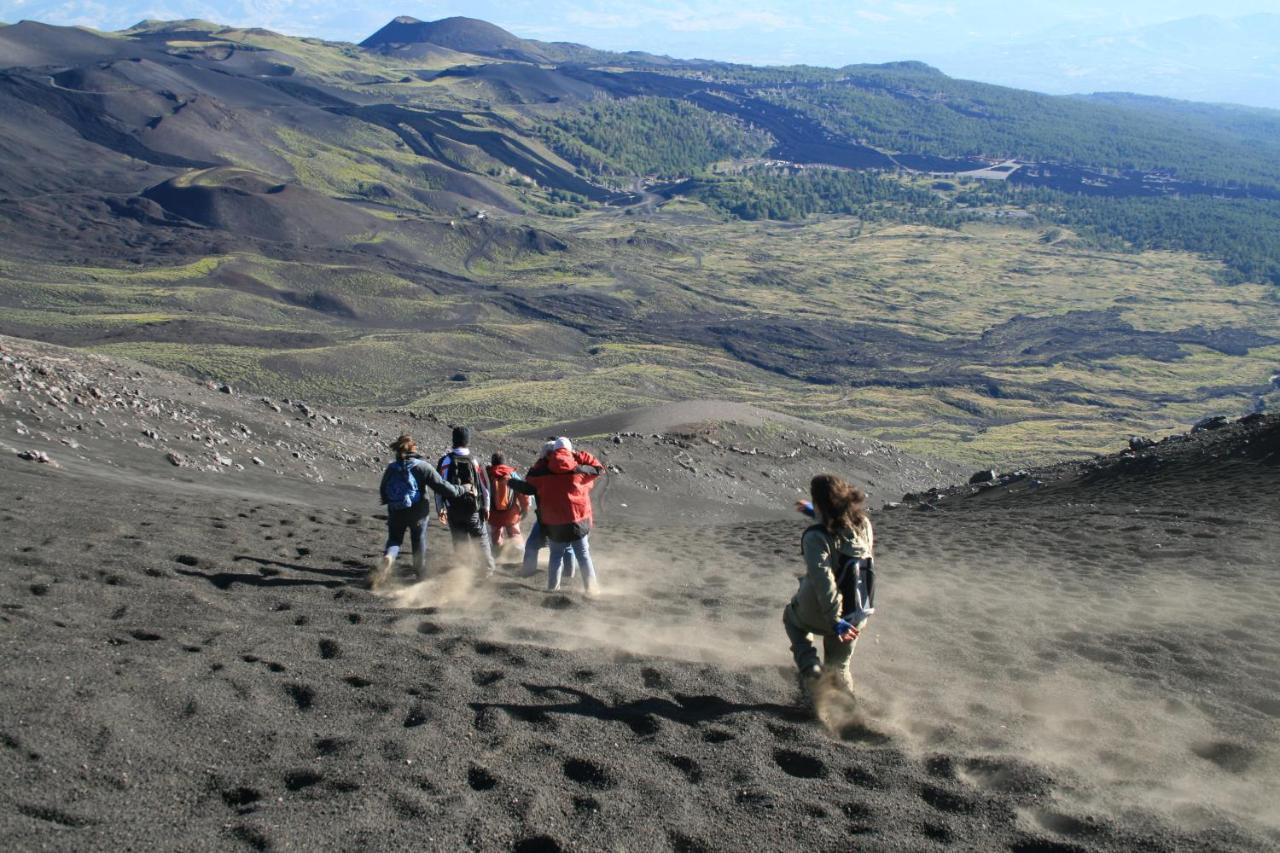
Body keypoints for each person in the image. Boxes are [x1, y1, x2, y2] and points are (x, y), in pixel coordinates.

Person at [783, 474, 876, 698]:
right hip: (857, 612)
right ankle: (847, 709)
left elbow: (823, 580)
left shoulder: (816, 537)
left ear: (819, 502)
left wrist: (835, 620)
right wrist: (811, 511)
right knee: (840, 665)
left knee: (792, 620)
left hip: (822, 613)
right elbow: (837, 522)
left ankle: (811, 670)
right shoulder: (863, 524)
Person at [509, 437, 603, 594]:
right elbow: (598, 468)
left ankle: (553, 589)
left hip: (554, 524)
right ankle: (592, 589)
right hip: (578, 521)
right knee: (584, 556)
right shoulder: (578, 471)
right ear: (569, 450)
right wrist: (579, 455)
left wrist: (543, 461)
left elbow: (529, 479)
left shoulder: (542, 474)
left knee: (556, 556)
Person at [372, 434, 465, 589]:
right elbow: (442, 486)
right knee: (418, 539)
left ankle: (389, 556)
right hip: (418, 512)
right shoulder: (422, 466)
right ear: (414, 448)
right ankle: (420, 573)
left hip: (396, 511)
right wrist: (462, 489)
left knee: (394, 539)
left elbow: (383, 489)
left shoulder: (392, 467)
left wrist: (389, 502)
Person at [435, 426, 497, 576]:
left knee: (460, 542)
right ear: (467, 441)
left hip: (453, 509)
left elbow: (439, 487)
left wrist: (440, 508)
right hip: (473, 510)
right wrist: (487, 507)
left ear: (453, 440)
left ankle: (464, 572)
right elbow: (485, 487)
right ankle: (487, 571)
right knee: (481, 538)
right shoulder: (475, 461)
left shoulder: (445, 462)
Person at [519, 441, 577, 581]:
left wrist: (511, 482)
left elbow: (529, 486)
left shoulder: (542, 471)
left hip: (547, 517)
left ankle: (527, 571)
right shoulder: (569, 468)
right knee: (567, 547)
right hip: (568, 516)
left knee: (532, 544)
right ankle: (569, 574)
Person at [485, 451, 530, 558]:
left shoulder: (488, 475)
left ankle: (497, 555)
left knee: (496, 534)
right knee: (515, 533)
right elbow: (522, 493)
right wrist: (525, 508)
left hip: (493, 515)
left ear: (492, 463)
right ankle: (521, 555)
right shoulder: (512, 474)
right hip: (511, 514)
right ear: (504, 463)